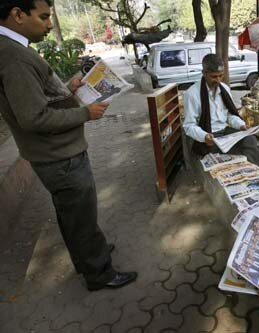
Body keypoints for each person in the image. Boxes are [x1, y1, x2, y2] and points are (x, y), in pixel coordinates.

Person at [0, 0, 137, 291]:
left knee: (72, 215)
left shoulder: (14, 50)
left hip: (55, 153)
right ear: (17, 14)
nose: (50, 25)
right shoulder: (12, 56)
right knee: (81, 216)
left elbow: (36, 99)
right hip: (60, 157)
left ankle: (88, 256)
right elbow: (34, 117)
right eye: (44, 17)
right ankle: (99, 273)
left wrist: (67, 87)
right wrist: (85, 113)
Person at [183, 53, 259, 168]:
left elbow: (229, 116)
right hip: (208, 136)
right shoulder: (192, 94)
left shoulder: (224, 89)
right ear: (204, 73)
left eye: (220, 76)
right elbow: (189, 126)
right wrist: (204, 136)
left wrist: (242, 126)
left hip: (225, 133)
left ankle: (257, 173)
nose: (218, 80)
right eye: (214, 77)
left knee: (250, 140)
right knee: (227, 154)